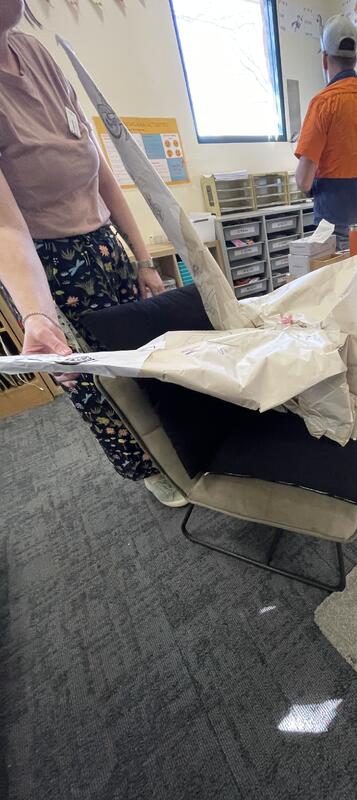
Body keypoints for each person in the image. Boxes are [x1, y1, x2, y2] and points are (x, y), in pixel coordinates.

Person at [0, 0, 187, 507]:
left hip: (104, 245)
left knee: (148, 352)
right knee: (97, 381)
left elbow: (100, 169)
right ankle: (146, 467)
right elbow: (7, 228)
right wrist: (38, 316)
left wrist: (142, 259)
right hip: (48, 267)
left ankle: (178, 441)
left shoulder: (35, 52)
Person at [295, 14, 357, 250]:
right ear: (355, 59)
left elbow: (303, 181)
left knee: (331, 275)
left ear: (325, 60)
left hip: (330, 237)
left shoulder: (323, 104)